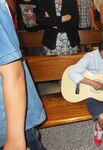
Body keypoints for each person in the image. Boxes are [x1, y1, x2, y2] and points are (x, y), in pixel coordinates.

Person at [0, 1, 46, 149]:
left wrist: (15, 139)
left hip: (9, 112)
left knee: (31, 140)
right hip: (24, 30)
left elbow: (13, 72)